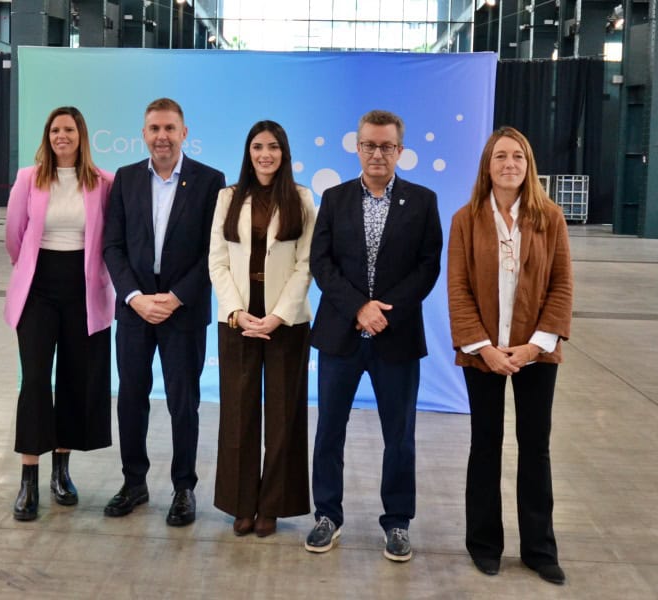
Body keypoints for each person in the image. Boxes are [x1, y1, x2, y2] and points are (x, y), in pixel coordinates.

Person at [305, 109, 442, 562]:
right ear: (358, 147)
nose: (377, 153)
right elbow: (321, 263)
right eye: (369, 144)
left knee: (399, 435)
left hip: (395, 336)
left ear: (400, 150)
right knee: (329, 432)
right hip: (340, 335)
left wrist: (386, 312)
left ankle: (397, 522)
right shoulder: (336, 198)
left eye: (386, 145)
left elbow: (428, 267)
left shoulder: (423, 201)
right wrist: (358, 309)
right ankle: (327, 515)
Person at [447, 126, 573, 585]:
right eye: (500, 156)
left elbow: (561, 286)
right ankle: (484, 544)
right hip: (484, 354)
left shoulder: (550, 218)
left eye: (517, 156)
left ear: (528, 164)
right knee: (485, 446)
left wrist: (535, 344)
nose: (509, 164)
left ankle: (540, 549)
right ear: (487, 165)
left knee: (535, 448)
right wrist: (483, 347)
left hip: (534, 353)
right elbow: (457, 289)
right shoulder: (466, 219)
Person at [102, 98, 226, 527]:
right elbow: (111, 246)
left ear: (184, 133)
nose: (162, 136)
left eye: (170, 128)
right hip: (135, 309)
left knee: (183, 402)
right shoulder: (125, 179)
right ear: (143, 133)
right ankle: (134, 483)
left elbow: (215, 250)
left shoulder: (211, 182)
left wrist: (175, 297)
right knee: (131, 399)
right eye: (154, 128)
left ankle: (183, 489)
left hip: (183, 310)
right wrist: (135, 297)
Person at [4, 106, 115, 521]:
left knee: (73, 380)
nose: (61, 136)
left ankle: (61, 473)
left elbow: (109, 239)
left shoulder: (104, 182)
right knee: (34, 380)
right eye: (54, 130)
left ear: (81, 135)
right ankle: (28, 479)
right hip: (38, 289)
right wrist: (34, 270)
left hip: (83, 291)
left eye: (68, 129)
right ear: (47, 136)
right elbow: (15, 237)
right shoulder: (28, 179)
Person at [208, 120, 316, 537]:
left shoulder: (302, 199)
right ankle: (241, 504)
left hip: (285, 324)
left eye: (273, 147)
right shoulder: (228, 198)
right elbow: (216, 261)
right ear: (247, 152)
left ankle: (273, 505)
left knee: (283, 415)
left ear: (284, 153)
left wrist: (278, 315)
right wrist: (236, 312)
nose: (265, 154)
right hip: (238, 322)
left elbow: (306, 265)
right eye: (257, 147)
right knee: (238, 414)